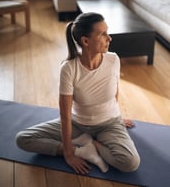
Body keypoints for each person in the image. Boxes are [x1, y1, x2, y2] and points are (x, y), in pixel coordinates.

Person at [16, 12, 140, 174]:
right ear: (86, 41)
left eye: (107, 33)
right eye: (103, 34)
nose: (109, 38)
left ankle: (92, 144)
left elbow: (114, 91)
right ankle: (81, 149)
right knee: (23, 139)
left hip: (109, 123)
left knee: (130, 163)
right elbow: (65, 114)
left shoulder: (113, 60)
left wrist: (117, 115)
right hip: (77, 124)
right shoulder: (69, 68)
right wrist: (68, 153)